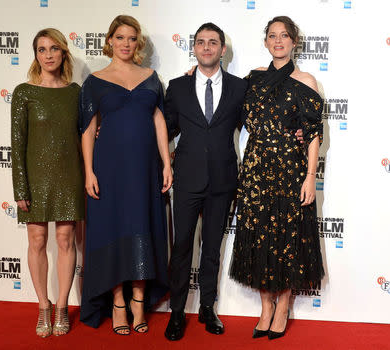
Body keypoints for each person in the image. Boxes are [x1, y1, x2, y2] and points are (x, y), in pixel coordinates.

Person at [229, 16, 325, 340]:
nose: (279, 41)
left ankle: (283, 306)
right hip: (256, 171)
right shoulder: (252, 80)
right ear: (266, 41)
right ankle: (265, 306)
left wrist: (310, 176)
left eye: (285, 35)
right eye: (273, 35)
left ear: (294, 41)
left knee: (288, 237)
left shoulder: (306, 81)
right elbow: (229, 108)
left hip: (290, 170)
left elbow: (313, 134)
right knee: (259, 237)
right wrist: (194, 75)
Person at [79, 15, 171, 335]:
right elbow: (88, 129)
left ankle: (139, 300)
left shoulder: (150, 77)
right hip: (110, 168)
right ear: (110, 41)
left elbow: (159, 122)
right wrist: (89, 170)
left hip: (145, 168)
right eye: (120, 38)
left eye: (131, 38)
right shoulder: (95, 80)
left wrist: (167, 164)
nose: (126, 44)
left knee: (143, 224)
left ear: (138, 43)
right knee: (112, 229)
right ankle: (118, 302)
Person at [163, 23, 248, 341]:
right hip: (186, 179)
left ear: (222, 49)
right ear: (194, 48)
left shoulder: (241, 88)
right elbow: (165, 129)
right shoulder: (177, 87)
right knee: (182, 246)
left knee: (212, 248)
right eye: (201, 42)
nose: (207, 47)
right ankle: (176, 312)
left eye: (213, 42)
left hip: (224, 180)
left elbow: (258, 122)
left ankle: (208, 308)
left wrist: (296, 131)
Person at [11, 28, 84, 337]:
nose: (49, 54)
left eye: (54, 48)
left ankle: (63, 306)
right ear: (36, 55)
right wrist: (20, 188)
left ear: (63, 52)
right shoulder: (24, 91)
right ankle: (43, 305)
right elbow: (17, 144)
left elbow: (86, 135)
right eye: (42, 49)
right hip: (35, 178)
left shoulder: (75, 91)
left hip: (69, 177)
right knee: (37, 242)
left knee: (66, 240)